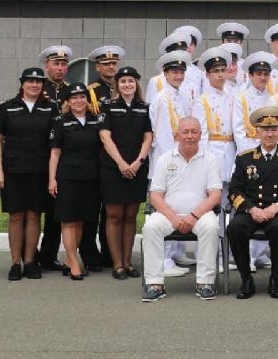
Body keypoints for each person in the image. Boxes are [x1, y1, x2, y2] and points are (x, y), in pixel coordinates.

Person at [141, 117, 224, 302]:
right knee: (151, 227)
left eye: (194, 132)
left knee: (211, 227)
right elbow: (155, 196)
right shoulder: (164, 159)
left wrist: (193, 216)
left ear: (200, 135)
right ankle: (154, 284)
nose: (190, 136)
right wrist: (173, 218)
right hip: (168, 215)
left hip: (200, 214)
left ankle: (205, 283)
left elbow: (215, 195)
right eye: (185, 132)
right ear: (176, 135)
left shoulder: (210, 159)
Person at [227, 106, 278, 299]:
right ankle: (246, 280)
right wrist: (251, 209)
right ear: (257, 132)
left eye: (274, 129)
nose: (270, 134)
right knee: (235, 228)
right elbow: (234, 190)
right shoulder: (244, 158)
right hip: (251, 211)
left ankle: (275, 279)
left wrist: (276, 207)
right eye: (265, 130)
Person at [0, 66, 57, 281]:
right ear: (22, 84)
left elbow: (55, 142)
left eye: (38, 82)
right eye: (30, 81)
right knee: (16, 215)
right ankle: (15, 262)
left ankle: (30, 262)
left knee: (34, 215)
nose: (34, 85)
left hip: (40, 169)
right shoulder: (8, 107)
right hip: (14, 170)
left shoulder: (50, 108)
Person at [97, 65, 153, 280]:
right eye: (123, 81)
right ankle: (117, 264)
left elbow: (148, 137)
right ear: (117, 85)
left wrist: (138, 162)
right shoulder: (108, 107)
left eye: (131, 81)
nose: (127, 85)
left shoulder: (144, 107)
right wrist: (121, 163)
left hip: (137, 168)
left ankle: (128, 262)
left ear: (136, 84)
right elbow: (105, 137)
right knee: (114, 215)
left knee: (130, 216)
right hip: (113, 168)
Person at [48, 83, 103, 280]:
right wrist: (52, 179)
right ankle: (73, 263)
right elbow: (55, 153)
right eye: (74, 98)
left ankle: (69, 260)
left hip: (91, 178)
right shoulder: (61, 122)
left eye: (82, 97)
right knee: (69, 221)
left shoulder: (96, 121)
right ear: (68, 102)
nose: (79, 101)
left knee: (81, 221)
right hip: (68, 178)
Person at [34, 44, 74, 272]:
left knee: (55, 211)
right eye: (56, 64)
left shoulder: (70, 90)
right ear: (47, 66)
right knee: (33, 208)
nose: (60, 68)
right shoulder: (38, 87)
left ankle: (48, 255)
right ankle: (29, 255)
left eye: (63, 64)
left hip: (63, 156)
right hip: (39, 154)